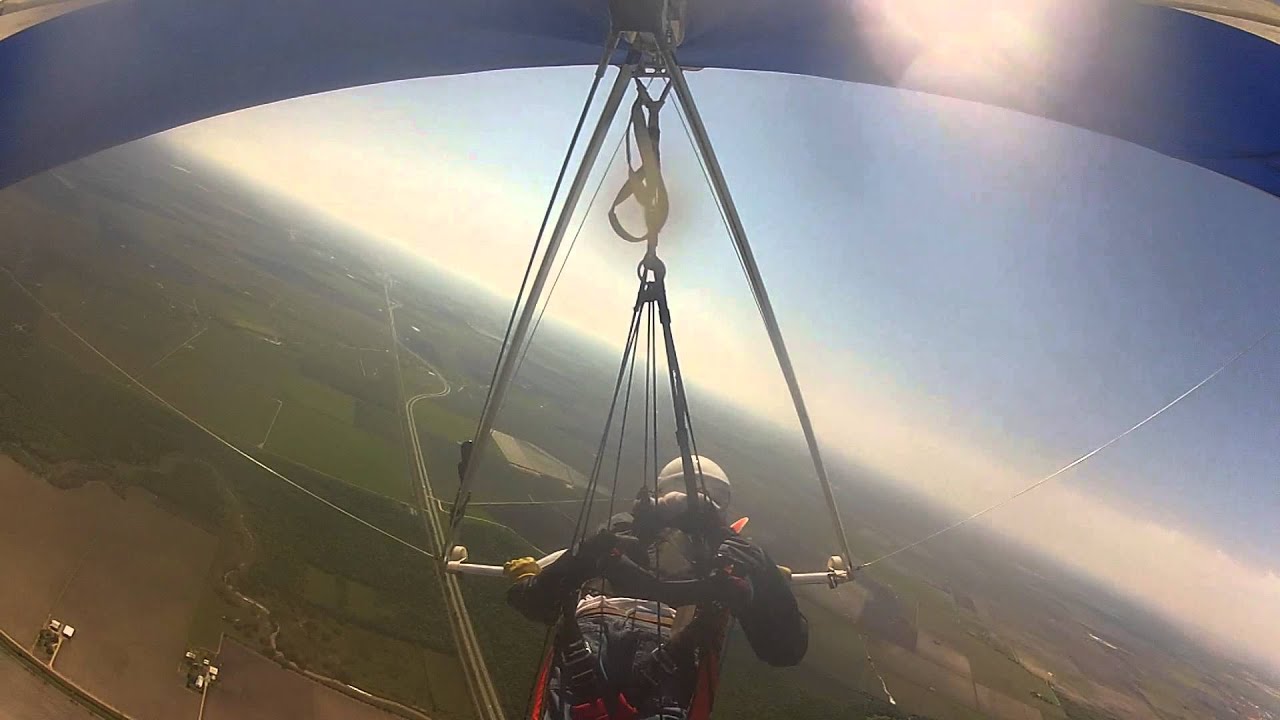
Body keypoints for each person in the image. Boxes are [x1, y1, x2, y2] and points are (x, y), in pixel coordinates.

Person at [504, 456, 808, 720]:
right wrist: (765, 578)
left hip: (590, 632)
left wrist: (532, 577)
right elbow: (785, 649)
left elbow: (538, 602)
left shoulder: (622, 530)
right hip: (672, 641)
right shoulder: (727, 555)